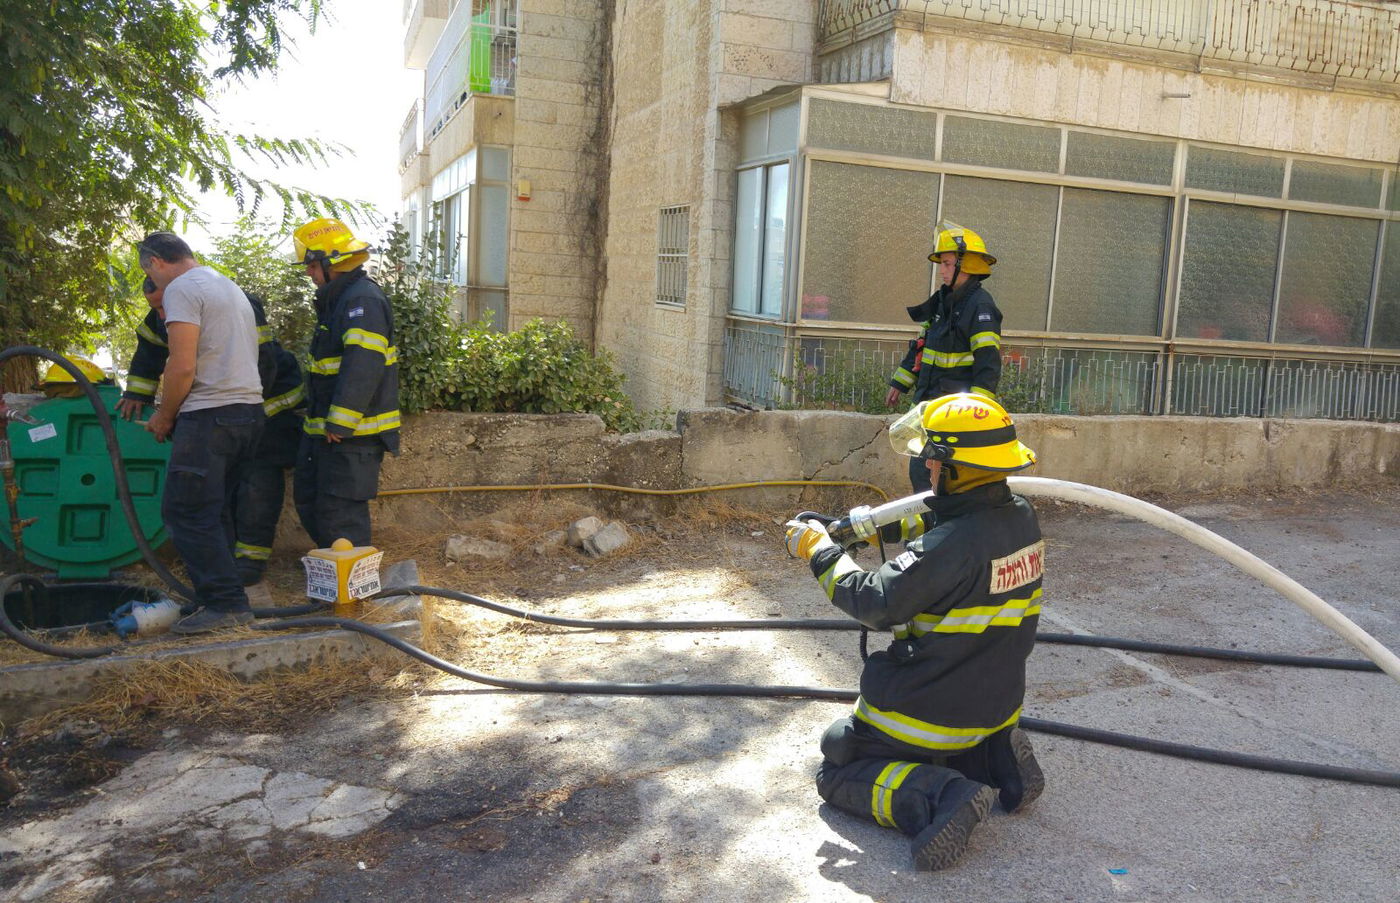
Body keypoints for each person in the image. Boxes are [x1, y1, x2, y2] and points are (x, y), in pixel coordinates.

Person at [784, 393, 1044, 871]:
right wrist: (865, 529)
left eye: (935, 459)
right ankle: (994, 760)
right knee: (952, 741)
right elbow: (945, 520)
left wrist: (820, 551)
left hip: (930, 710)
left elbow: (873, 601)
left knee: (839, 760)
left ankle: (939, 796)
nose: (927, 466)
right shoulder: (1020, 516)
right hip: (996, 704)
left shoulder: (950, 546)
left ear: (958, 469)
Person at [118, 277, 305, 586]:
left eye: (164, 306)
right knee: (218, 486)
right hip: (225, 413)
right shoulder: (165, 314)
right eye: (156, 308)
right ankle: (224, 560)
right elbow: (149, 351)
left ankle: (251, 561)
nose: (163, 314)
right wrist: (137, 394)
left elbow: (264, 360)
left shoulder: (230, 303)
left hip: (269, 405)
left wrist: (242, 411)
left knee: (257, 484)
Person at [135, 232, 265, 633]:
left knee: (187, 512)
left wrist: (164, 416)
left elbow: (182, 366)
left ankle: (226, 605)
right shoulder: (224, 284)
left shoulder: (182, 289)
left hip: (211, 416)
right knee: (214, 511)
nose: (153, 281)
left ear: (156, 262)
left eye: (149, 272)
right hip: (247, 413)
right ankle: (220, 597)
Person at [288, 217, 400, 548]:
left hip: (352, 435)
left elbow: (363, 363)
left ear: (331, 261)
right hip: (328, 433)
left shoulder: (362, 300)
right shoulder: (340, 299)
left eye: (312, 265)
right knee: (312, 502)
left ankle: (350, 579)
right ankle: (333, 571)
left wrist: (340, 420)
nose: (309, 273)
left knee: (341, 516)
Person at [885, 226, 1004, 493]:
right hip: (929, 405)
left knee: (934, 476)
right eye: (942, 264)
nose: (942, 270)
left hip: (954, 412)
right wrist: (899, 383)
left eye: (948, 263)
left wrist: (975, 412)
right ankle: (930, 518)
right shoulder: (942, 302)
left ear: (967, 264)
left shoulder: (980, 306)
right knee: (922, 471)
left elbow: (988, 364)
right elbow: (921, 348)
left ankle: (936, 519)